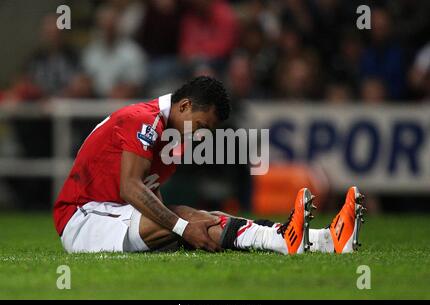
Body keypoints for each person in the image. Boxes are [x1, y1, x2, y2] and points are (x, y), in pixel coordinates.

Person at [53, 76, 365, 254]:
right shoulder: (142, 121)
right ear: (185, 106)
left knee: (203, 219)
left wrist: (180, 231)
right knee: (185, 219)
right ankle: (285, 241)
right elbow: (130, 187)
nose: (202, 134)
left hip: (114, 214)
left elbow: (149, 195)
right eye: (201, 125)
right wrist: (180, 228)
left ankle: (318, 239)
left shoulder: (173, 136)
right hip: (83, 219)